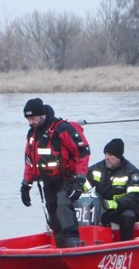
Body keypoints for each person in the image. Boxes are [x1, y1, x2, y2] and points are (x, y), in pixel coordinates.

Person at [20, 98, 90, 248]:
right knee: (53, 216)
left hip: (67, 179)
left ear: (42, 114)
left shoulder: (62, 129)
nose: (30, 122)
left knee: (63, 206)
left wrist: (80, 180)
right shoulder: (32, 135)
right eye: (28, 119)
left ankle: (73, 247)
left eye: (33, 118)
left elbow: (83, 152)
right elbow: (29, 161)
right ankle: (60, 250)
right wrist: (26, 185)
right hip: (48, 182)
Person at [85, 138, 139, 241]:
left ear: (119, 156)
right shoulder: (97, 169)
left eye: (110, 155)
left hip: (122, 209)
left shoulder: (131, 172)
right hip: (102, 208)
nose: (106, 158)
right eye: (105, 154)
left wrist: (115, 204)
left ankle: (126, 246)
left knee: (128, 217)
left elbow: (136, 196)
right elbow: (82, 186)